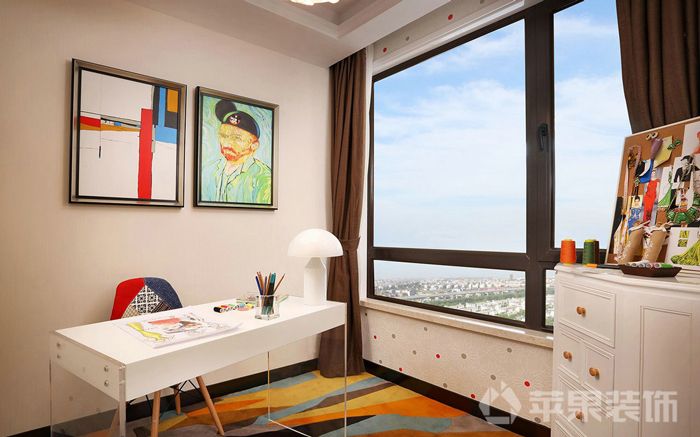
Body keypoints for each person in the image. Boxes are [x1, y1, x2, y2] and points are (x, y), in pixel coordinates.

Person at [211, 99, 271, 204]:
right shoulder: (210, 169)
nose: (227, 143)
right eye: (224, 136)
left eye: (237, 138)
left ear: (254, 145)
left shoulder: (263, 178)